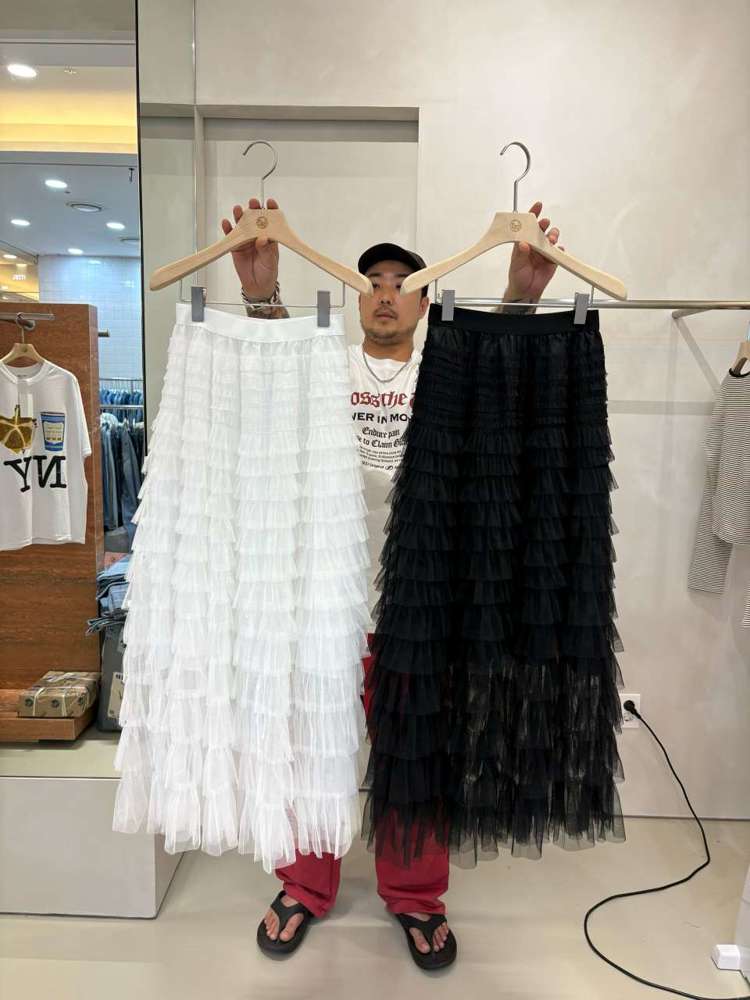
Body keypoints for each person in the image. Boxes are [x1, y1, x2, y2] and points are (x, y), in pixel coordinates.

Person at [221, 198, 563, 967]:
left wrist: (519, 298)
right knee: (312, 747)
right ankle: (305, 884)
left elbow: (502, 376)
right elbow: (272, 370)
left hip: (422, 603)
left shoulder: (447, 374)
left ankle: (414, 894)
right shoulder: (326, 367)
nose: (384, 293)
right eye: (372, 281)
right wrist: (260, 292)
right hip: (323, 601)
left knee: (419, 754)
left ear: (425, 302)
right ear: (355, 298)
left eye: (401, 283)